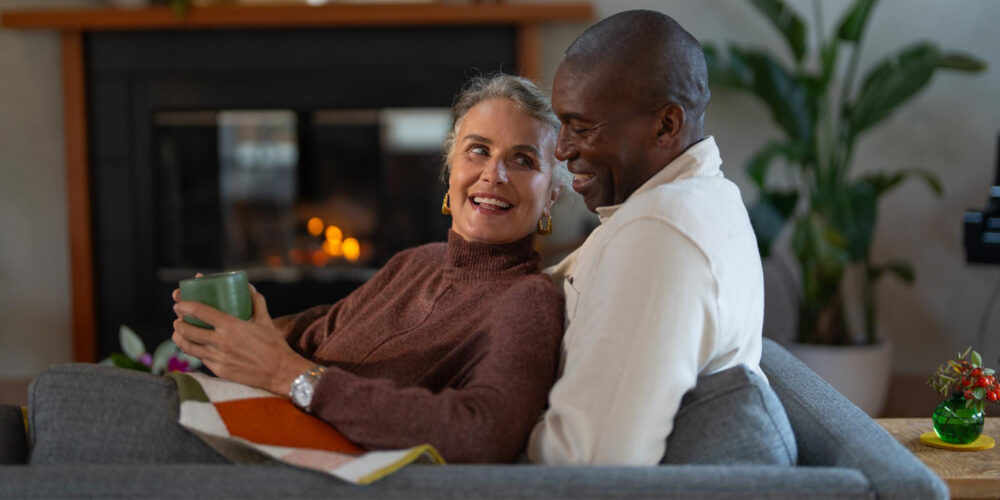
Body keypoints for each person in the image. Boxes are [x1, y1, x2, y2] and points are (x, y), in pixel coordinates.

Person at [171, 74, 569, 464]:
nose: (493, 174)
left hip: (279, 463)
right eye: (478, 150)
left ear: (551, 196)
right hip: (250, 424)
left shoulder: (527, 299)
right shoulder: (415, 263)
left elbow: (484, 433)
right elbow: (317, 333)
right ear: (450, 174)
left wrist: (285, 374)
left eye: (523, 160)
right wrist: (236, 332)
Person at [526, 10, 766, 465]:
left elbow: (592, 461)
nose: (561, 150)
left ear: (666, 126)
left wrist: (471, 427)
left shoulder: (661, 233)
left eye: (583, 127)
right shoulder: (697, 200)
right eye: (562, 124)